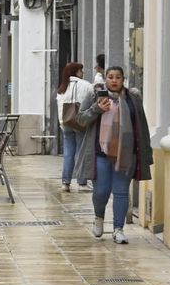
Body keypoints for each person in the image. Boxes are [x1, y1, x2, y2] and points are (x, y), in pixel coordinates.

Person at [74, 65, 153, 244]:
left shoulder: (133, 98)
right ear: (105, 79)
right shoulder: (95, 96)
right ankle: (99, 217)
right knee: (101, 191)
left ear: (123, 79)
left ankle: (118, 229)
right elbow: (80, 120)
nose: (114, 80)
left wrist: (146, 152)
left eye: (118, 77)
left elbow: (142, 126)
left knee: (121, 192)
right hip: (100, 153)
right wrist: (97, 109)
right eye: (110, 77)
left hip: (126, 153)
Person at [55, 61, 94, 194]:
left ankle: (65, 182)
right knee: (80, 152)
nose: (82, 73)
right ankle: (81, 182)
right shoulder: (87, 85)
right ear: (77, 71)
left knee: (68, 153)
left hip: (66, 123)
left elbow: (60, 107)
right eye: (81, 70)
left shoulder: (62, 88)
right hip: (80, 121)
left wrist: (62, 122)